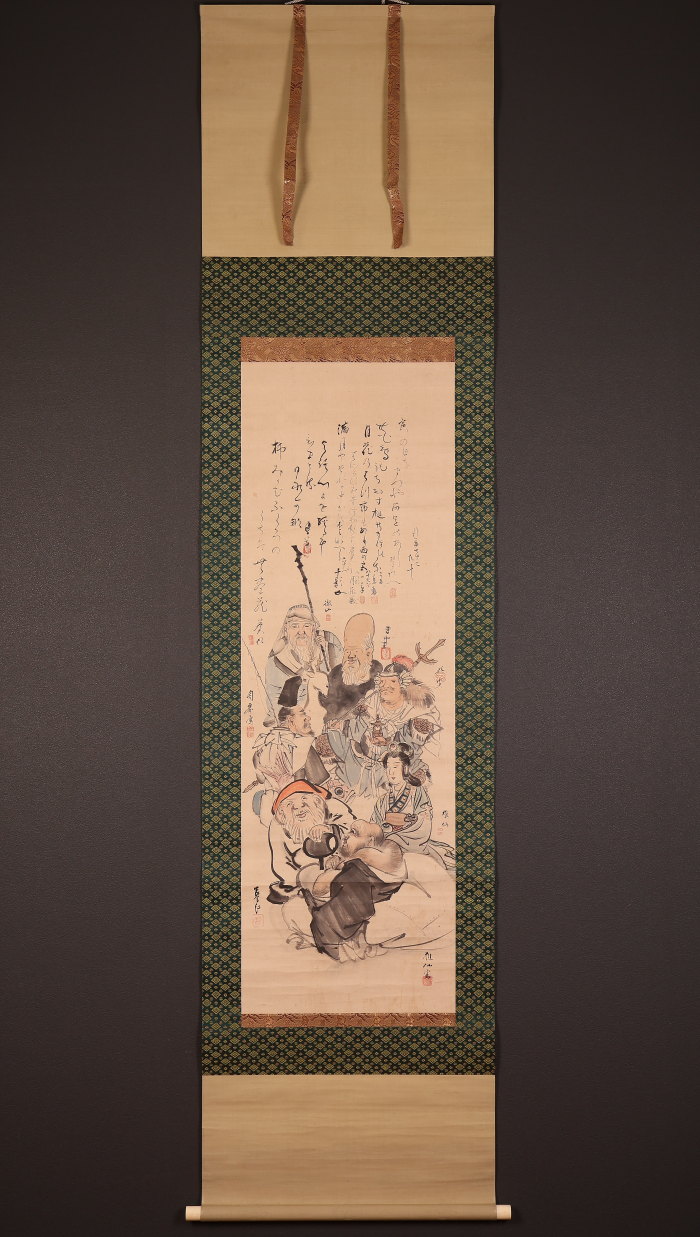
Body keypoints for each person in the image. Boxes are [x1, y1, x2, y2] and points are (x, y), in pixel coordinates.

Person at [323, 660, 441, 798]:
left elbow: (415, 746)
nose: (385, 686)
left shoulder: (414, 712)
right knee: (330, 739)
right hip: (361, 759)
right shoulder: (371, 703)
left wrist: (389, 742)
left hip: (395, 762)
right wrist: (340, 726)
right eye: (382, 682)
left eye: (392, 682)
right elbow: (357, 727)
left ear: (403, 684)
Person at [265, 780, 354, 905]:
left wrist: (329, 829)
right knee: (319, 880)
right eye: (290, 804)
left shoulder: (332, 805)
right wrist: (299, 880)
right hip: (306, 870)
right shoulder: (277, 824)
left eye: (304, 799)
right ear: (281, 812)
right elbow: (280, 862)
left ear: (316, 801)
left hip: (340, 857)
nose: (298, 807)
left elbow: (353, 829)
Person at [371, 746, 455, 869]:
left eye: (395, 767)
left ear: (405, 769)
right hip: (385, 846)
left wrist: (394, 836)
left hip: (411, 843)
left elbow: (424, 823)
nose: (391, 772)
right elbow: (373, 826)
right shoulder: (382, 801)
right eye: (388, 768)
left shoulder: (417, 792)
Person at [265, 604, 342, 718]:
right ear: (286, 628)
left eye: (306, 626)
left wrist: (326, 648)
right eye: (294, 626)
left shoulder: (326, 644)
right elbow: (276, 702)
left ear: (313, 628)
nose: (301, 632)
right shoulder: (278, 659)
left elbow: (339, 675)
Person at [318, 612, 383, 724]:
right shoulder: (335, 674)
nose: (351, 656)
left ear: (368, 653)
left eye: (356, 651)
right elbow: (327, 704)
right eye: (347, 651)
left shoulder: (379, 678)